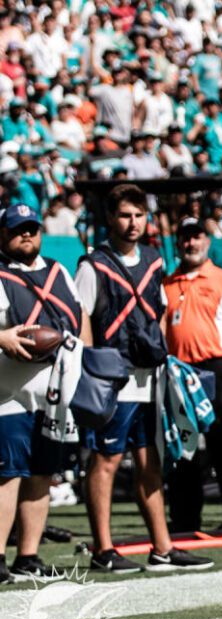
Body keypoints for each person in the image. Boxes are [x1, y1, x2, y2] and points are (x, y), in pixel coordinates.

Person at [74, 184, 213, 572]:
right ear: (110, 219)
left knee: (150, 460)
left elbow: (162, 312)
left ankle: (162, 547)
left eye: (138, 214)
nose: (132, 223)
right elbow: (82, 315)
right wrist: (94, 366)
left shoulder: (154, 260)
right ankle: (103, 549)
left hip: (150, 376)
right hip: (113, 376)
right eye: (124, 215)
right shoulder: (93, 265)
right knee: (106, 460)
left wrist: (164, 356)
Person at [0, 205, 89, 582]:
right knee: (7, 475)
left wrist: (85, 356)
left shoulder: (58, 270)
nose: (26, 235)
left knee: (42, 473)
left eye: (32, 229)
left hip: (54, 393)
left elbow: (80, 316)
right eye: (18, 229)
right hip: (8, 393)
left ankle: (29, 555)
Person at [161, 217, 222, 530]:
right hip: (178, 371)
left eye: (197, 237)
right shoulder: (168, 282)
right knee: (182, 445)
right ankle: (185, 517)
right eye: (186, 238)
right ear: (179, 242)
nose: (191, 243)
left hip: (216, 369)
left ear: (206, 241)